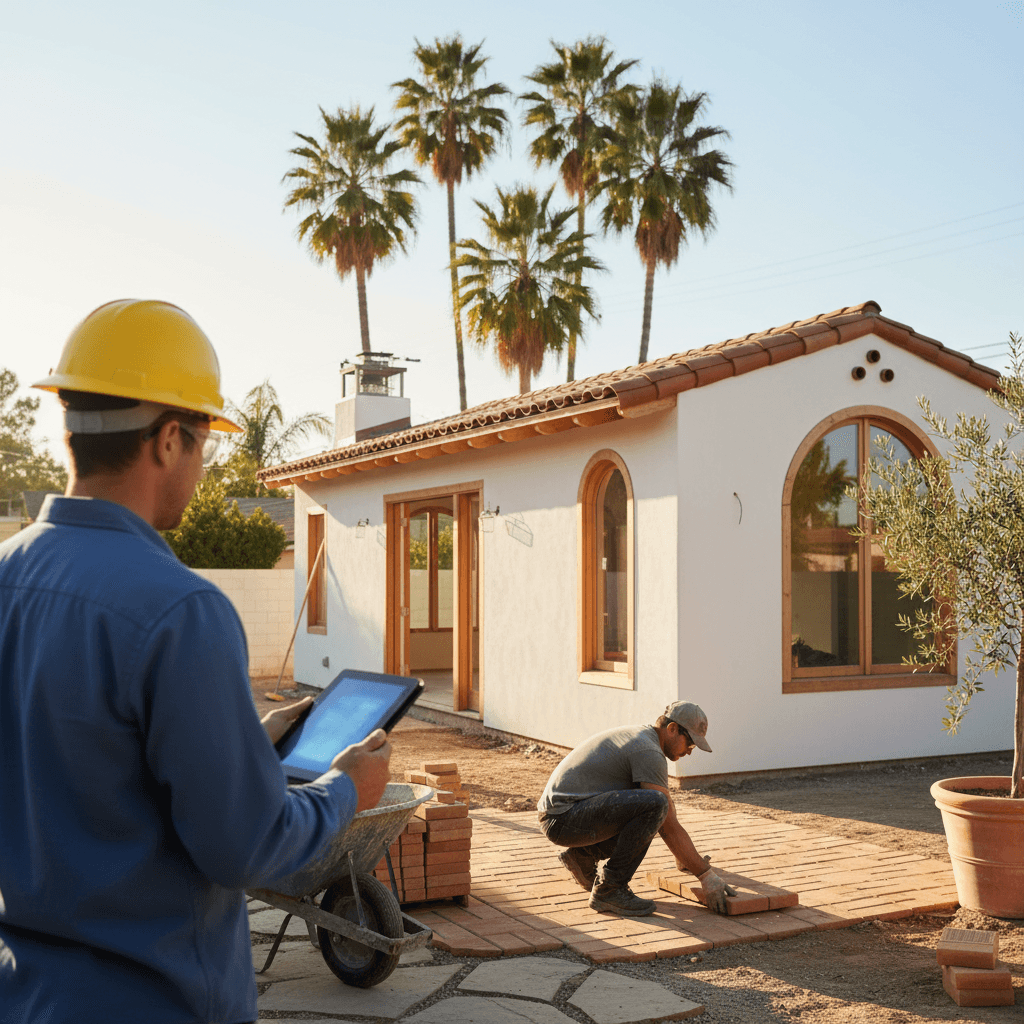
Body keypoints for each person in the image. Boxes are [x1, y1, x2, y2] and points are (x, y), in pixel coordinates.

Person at [0, 299, 391, 1024]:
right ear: (169, 440)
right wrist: (346, 791)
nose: (206, 462)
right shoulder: (181, 611)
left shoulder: (7, 576)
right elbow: (249, 847)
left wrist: (244, 740)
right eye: (205, 441)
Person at [537, 701, 736, 917]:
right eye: (690, 743)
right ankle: (610, 889)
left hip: (563, 815)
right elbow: (664, 821)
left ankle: (583, 856)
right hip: (563, 818)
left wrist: (685, 857)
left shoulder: (645, 739)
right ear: (672, 729)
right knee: (653, 805)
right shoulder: (648, 751)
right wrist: (705, 875)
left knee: (653, 804)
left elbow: (667, 809)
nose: (689, 752)